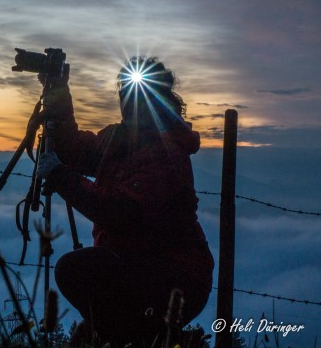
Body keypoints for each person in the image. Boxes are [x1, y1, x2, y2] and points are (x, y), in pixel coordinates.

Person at [36, 56, 214, 347]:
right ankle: (134, 338)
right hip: (137, 263)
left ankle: (141, 338)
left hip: (177, 276)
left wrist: (61, 178)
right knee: (88, 289)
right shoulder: (121, 138)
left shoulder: (164, 149)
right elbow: (76, 150)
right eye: (125, 92)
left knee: (76, 270)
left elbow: (121, 212)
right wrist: (57, 92)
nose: (128, 100)